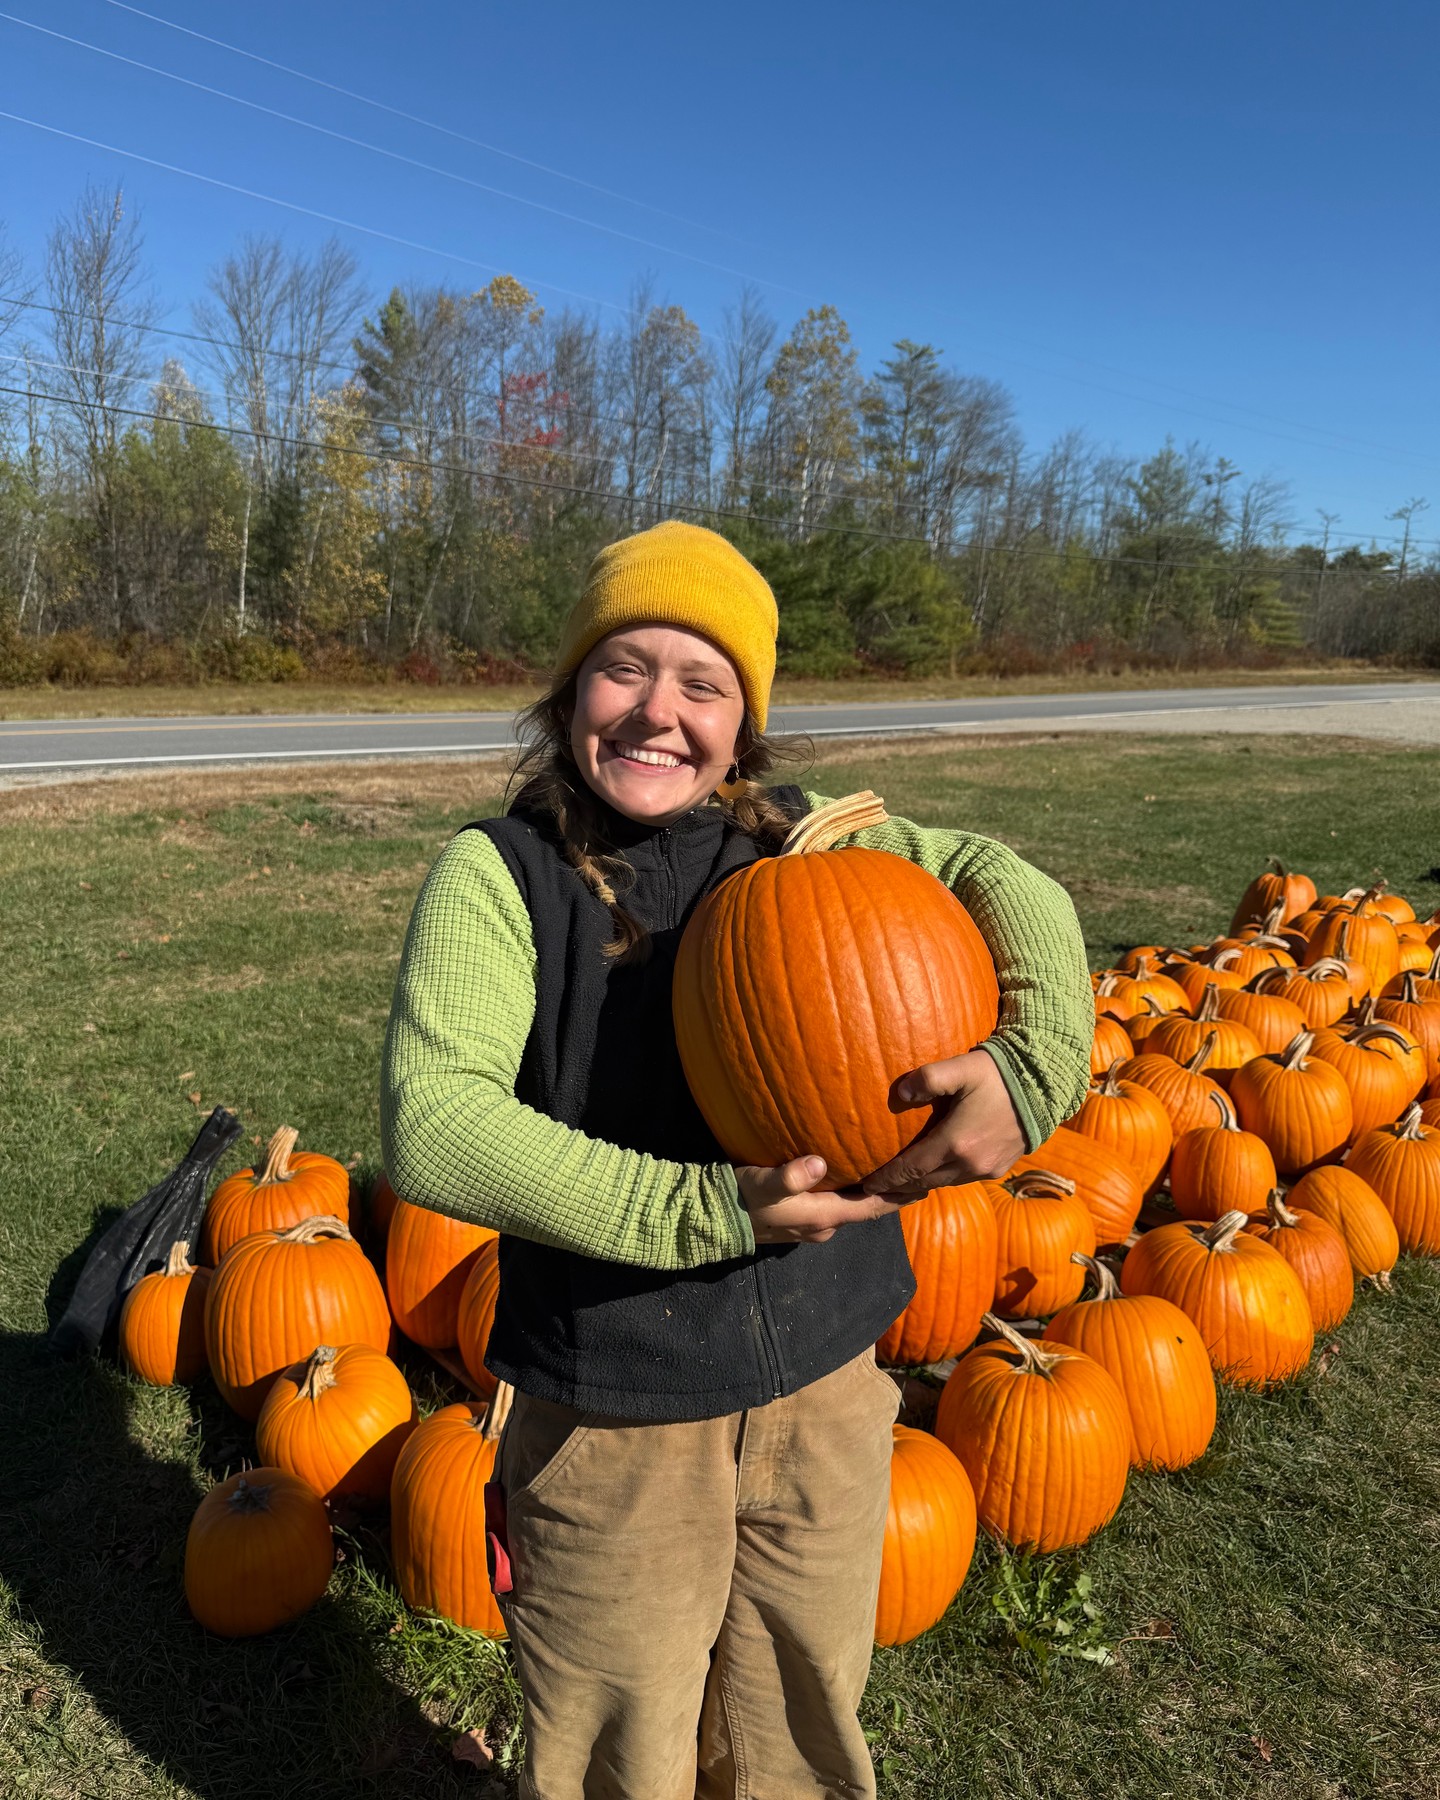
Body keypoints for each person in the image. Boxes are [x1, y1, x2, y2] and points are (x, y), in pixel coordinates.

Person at [381, 520, 1093, 1800]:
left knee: (801, 1714)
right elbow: (436, 1121)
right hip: (615, 1399)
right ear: (567, 693)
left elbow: (1001, 874)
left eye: (702, 683)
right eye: (624, 669)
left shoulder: (808, 838)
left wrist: (1035, 1070)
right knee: (618, 1737)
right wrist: (710, 1207)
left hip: (826, 1373)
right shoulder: (501, 876)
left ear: (744, 719)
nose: (658, 711)